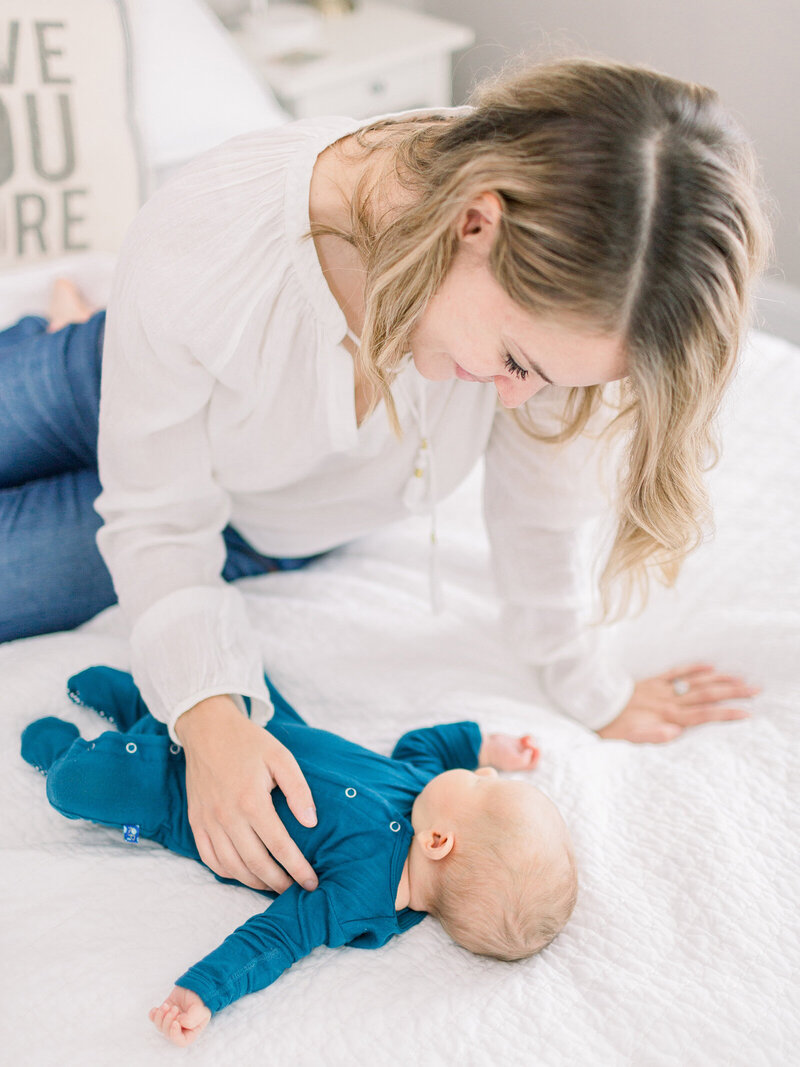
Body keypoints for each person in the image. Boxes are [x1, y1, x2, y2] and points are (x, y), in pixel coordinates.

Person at [0, 57, 771, 898]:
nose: (520, 399)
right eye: (515, 360)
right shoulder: (215, 232)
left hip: (248, 524)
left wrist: (592, 690)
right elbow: (153, 508)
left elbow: (540, 523)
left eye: (555, 378)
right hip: (107, 373)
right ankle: (62, 320)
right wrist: (207, 719)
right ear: (477, 224)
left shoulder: (574, 311)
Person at [20, 664, 573, 1047]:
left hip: (185, 798)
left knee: (79, 784)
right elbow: (424, 745)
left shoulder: (361, 896)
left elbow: (277, 939)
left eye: (484, 786)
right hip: (258, 733)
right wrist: (479, 743)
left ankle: (68, 752)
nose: (482, 775)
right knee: (241, 679)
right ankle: (151, 707)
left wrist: (203, 991)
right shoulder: (426, 788)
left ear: (438, 843)